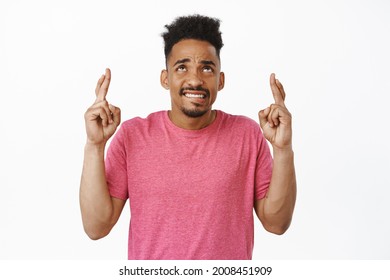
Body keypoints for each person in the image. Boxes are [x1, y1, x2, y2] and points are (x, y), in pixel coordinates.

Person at [80, 14, 296, 260]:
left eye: (207, 68)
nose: (195, 79)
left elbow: (277, 223)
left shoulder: (247, 134)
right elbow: (96, 227)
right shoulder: (132, 136)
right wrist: (94, 146)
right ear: (165, 78)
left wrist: (283, 149)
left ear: (220, 80)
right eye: (182, 67)